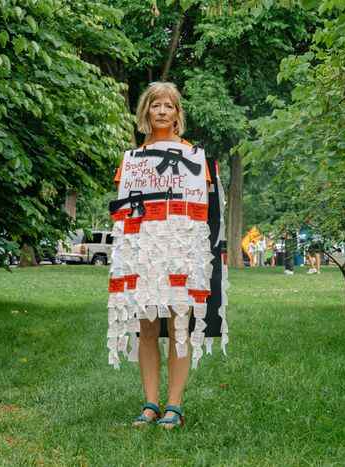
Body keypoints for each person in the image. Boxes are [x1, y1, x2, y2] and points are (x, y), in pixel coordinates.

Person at [107, 82, 228, 430]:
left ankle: (174, 405)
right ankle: (149, 403)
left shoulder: (194, 157)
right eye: (156, 105)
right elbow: (122, 210)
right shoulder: (132, 161)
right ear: (146, 112)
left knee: (179, 325)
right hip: (143, 250)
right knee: (146, 327)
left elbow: (205, 209)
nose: (162, 111)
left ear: (178, 114)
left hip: (181, 251)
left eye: (169, 106)